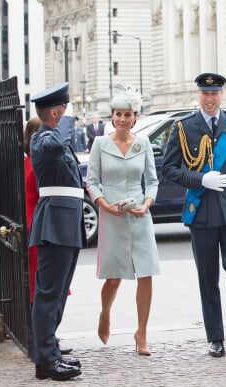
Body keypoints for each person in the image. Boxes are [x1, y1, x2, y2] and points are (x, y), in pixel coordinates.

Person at [161, 72, 226, 357]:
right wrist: (200, 179)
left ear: (222, 95)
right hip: (202, 209)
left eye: (215, 93)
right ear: (199, 95)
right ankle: (215, 336)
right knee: (207, 276)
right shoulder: (183, 127)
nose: (210, 99)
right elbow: (169, 169)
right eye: (205, 94)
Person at [86, 87, 160, 355]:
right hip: (111, 215)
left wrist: (147, 203)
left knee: (146, 273)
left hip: (140, 214)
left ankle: (142, 333)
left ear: (134, 117)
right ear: (112, 116)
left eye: (127, 115)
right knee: (114, 278)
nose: (122, 119)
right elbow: (92, 181)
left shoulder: (143, 143)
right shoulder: (100, 144)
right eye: (118, 114)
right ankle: (105, 313)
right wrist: (104, 204)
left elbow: (152, 181)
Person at [29, 82, 85, 380]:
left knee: (58, 293)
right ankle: (46, 359)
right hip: (55, 223)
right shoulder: (43, 139)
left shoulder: (52, 138)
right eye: (63, 110)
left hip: (67, 223)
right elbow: (55, 145)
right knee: (49, 293)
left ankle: (48, 352)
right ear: (54, 112)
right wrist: (66, 121)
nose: (68, 116)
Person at [23, 117, 42, 303]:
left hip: (30, 219)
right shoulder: (37, 163)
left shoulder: (27, 161)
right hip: (38, 222)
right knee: (41, 280)